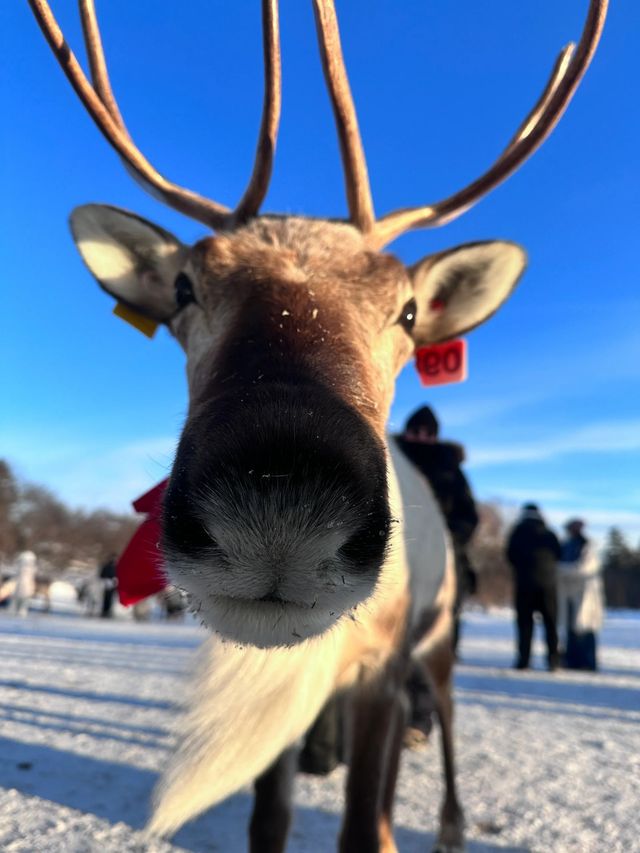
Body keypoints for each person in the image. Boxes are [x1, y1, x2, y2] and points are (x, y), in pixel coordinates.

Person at [395, 405, 479, 652]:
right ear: (407, 431)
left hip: (443, 558)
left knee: (440, 631)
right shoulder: (389, 460)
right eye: (416, 431)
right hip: (396, 555)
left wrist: (445, 539)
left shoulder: (449, 468)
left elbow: (467, 514)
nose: (421, 438)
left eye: (428, 433)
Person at [507, 504, 561, 670]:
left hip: (524, 585)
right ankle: (553, 661)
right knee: (551, 624)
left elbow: (509, 555)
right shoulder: (549, 533)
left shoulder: (517, 533)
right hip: (548, 585)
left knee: (524, 624)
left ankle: (524, 661)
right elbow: (558, 554)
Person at [557, 519, 603, 671]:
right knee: (571, 628)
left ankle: (587, 662)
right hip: (569, 593)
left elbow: (584, 568)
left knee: (585, 628)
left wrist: (560, 569)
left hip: (585, 593)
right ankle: (572, 660)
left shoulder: (587, 546)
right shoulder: (566, 545)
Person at [10, 550, 38, 617]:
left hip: (26, 587)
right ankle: (15, 609)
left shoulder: (32, 568)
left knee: (24, 600)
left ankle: (22, 610)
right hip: (20, 586)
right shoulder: (21, 568)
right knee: (17, 599)